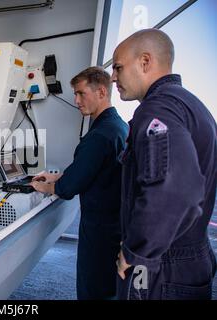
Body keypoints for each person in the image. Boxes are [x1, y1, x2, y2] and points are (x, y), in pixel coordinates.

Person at [112, 28, 217, 300]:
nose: (113, 77)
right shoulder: (193, 105)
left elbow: (178, 189)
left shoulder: (158, 109)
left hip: (161, 270)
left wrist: (138, 251)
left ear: (145, 62)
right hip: (188, 259)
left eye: (118, 67)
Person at [30, 67, 129, 300]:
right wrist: (59, 176)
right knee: (109, 285)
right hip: (115, 223)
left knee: (93, 288)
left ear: (102, 92)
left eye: (81, 93)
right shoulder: (118, 126)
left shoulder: (100, 135)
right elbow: (96, 171)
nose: (76, 100)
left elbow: (68, 189)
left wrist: (44, 186)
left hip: (100, 229)